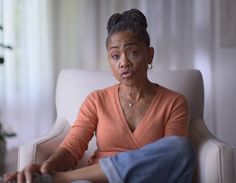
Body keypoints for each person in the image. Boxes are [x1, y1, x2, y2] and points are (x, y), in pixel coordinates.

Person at [4, 9, 196, 183]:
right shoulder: (96, 100)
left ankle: (62, 179)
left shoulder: (174, 102)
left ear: (150, 54)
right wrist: (46, 169)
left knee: (181, 148)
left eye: (133, 52)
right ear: (109, 61)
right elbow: (72, 148)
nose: (123, 63)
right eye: (115, 56)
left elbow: (172, 158)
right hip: (95, 181)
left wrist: (57, 178)